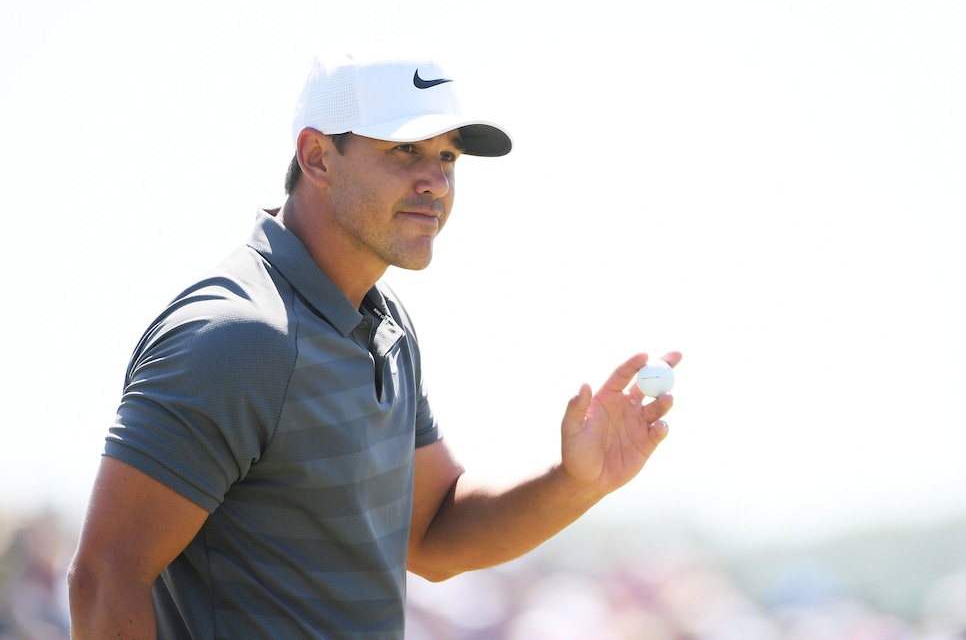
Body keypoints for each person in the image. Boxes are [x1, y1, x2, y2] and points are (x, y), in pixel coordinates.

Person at [67, 47, 682, 639]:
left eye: (447, 158)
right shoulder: (237, 335)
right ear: (316, 157)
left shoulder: (386, 327)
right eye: (405, 149)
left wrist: (577, 480)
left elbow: (433, 538)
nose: (435, 183)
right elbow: (103, 578)